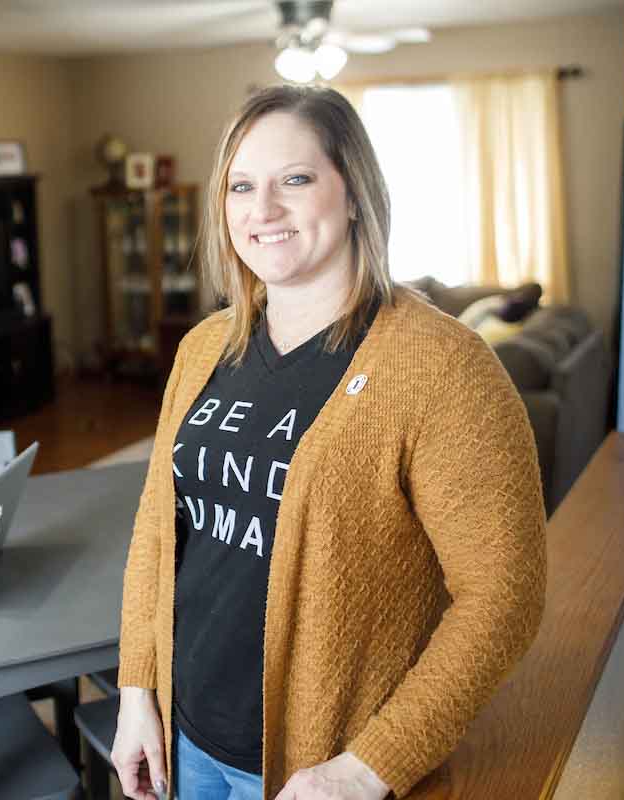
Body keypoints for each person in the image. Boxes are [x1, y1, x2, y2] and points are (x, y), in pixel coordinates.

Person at [111, 85, 547, 800]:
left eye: (296, 179)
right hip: (184, 738)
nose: (263, 210)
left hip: (317, 770)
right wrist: (136, 691)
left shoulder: (443, 367)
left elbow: (506, 595)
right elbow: (159, 536)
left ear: (353, 195)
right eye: (242, 185)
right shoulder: (200, 351)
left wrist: (371, 765)